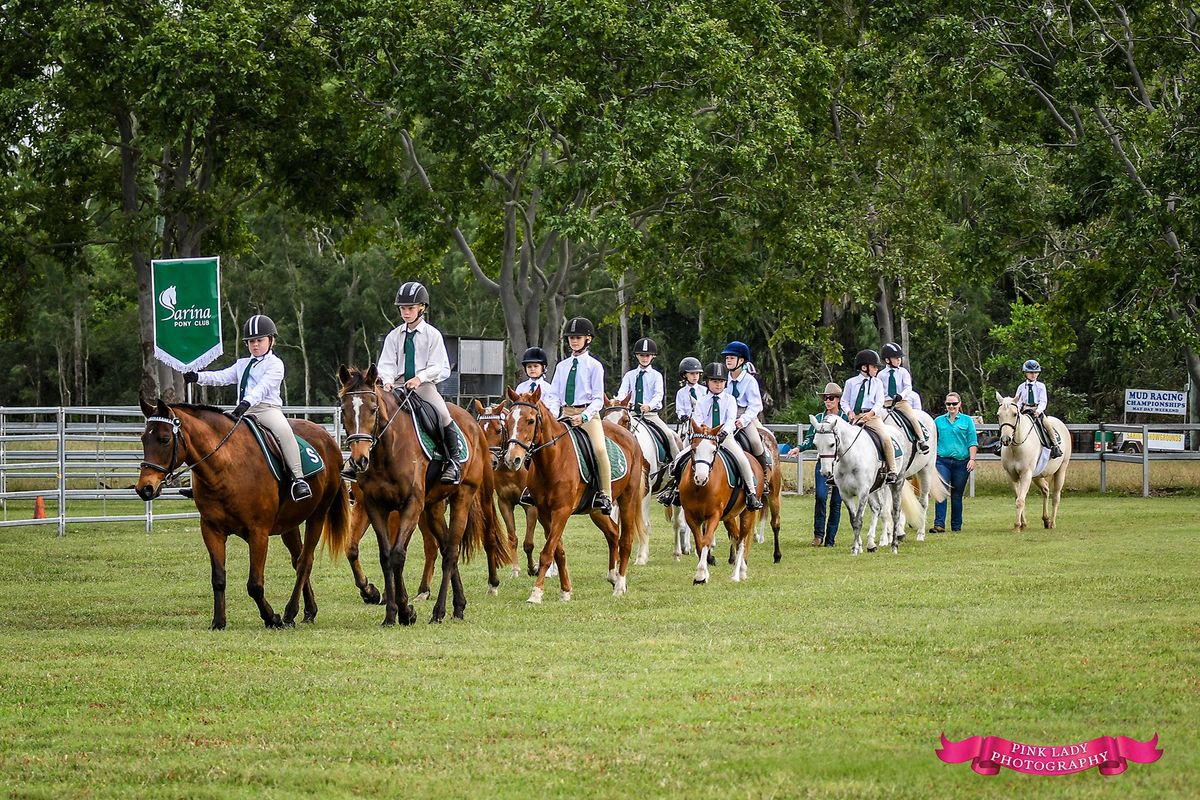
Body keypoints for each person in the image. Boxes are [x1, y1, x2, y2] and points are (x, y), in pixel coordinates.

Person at [185, 314, 311, 501]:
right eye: (251, 341)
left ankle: (298, 479)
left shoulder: (275, 364)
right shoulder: (242, 364)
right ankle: (204, 483)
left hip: (266, 409)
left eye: (259, 340)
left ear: (271, 340)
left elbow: (263, 387)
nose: (255, 345)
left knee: (284, 431)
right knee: (213, 434)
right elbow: (222, 377)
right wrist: (197, 377)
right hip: (243, 410)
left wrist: (246, 403)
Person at [373, 281, 461, 483]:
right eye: (403, 308)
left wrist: (419, 378)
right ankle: (361, 461)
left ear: (422, 308)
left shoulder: (432, 335)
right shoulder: (394, 336)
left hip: (423, 386)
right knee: (373, 411)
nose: (405, 312)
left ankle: (453, 462)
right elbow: (386, 363)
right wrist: (387, 380)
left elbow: (439, 366)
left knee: (443, 414)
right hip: (396, 385)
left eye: (410, 308)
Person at [657, 362, 763, 510]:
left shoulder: (730, 400)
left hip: (725, 439)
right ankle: (674, 489)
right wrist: (701, 429)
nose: (718, 385)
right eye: (714, 381)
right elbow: (697, 418)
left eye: (721, 382)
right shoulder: (702, 401)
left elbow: (731, 419)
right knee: (679, 458)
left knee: (742, 459)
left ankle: (751, 493)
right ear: (707, 382)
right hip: (704, 440)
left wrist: (725, 431)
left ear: (725, 383)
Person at [550, 316, 613, 514]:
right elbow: (553, 395)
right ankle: (532, 488)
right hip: (564, 413)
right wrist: (553, 416)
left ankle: (605, 494)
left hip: (587, 414)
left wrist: (584, 416)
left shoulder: (594, 366)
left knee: (600, 450)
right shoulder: (562, 366)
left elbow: (598, 399)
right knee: (542, 444)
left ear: (588, 339)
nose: (573, 341)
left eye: (577, 337)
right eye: (570, 338)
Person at [795, 382, 847, 547]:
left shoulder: (845, 419)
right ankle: (818, 535)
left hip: (840, 465)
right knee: (821, 497)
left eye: (831, 398)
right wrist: (799, 447)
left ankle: (830, 538)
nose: (828, 401)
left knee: (836, 501)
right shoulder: (818, 418)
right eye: (825, 398)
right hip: (822, 461)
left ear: (838, 399)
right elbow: (811, 439)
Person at [841, 349, 900, 483]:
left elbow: (880, 401)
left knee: (885, 438)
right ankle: (836, 471)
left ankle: (892, 470)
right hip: (855, 416)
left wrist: (871, 413)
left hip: (872, 417)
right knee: (840, 439)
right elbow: (844, 401)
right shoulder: (850, 383)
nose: (876, 370)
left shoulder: (877, 383)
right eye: (874, 367)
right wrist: (849, 412)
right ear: (864, 367)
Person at [617, 337, 680, 460]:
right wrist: (625, 402)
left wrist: (649, 406)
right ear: (637, 356)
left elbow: (658, 395)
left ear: (653, 357)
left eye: (647, 355)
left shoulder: (656, 376)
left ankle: (675, 464)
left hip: (651, 415)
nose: (644, 358)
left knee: (669, 435)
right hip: (632, 414)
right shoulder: (629, 375)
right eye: (641, 355)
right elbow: (622, 392)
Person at [720, 341, 773, 473]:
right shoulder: (723, 379)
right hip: (725, 416)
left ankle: (764, 473)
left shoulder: (750, 381)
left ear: (741, 360)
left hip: (745, 416)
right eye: (727, 358)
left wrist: (743, 420)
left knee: (755, 442)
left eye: (732, 358)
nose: (728, 361)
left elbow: (756, 405)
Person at [931, 392, 978, 533]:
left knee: (957, 494)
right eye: (948, 404)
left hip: (961, 462)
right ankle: (939, 524)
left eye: (954, 404)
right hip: (942, 461)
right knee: (941, 492)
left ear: (959, 404)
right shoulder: (938, 421)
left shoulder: (967, 421)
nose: (951, 406)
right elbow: (932, 441)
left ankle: (956, 526)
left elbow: (972, 441)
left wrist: (972, 459)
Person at [879, 342, 929, 454]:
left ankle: (921, 440)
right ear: (887, 360)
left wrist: (901, 395)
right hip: (885, 403)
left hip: (901, 402)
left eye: (899, 358)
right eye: (896, 358)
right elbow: (879, 390)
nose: (899, 360)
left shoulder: (903, 372)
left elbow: (908, 387)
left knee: (912, 417)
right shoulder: (881, 375)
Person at [1015, 359, 1063, 459]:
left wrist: (1038, 411)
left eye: (1036, 372)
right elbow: (1018, 401)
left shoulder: (1041, 386)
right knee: (1011, 424)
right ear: (1025, 373)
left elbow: (1043, 401)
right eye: (1031, 373)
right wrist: (1017, 410)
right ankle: (1001, 445)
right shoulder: (1021, 387)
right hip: (1024, 410)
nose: (1033, 375)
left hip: (1037, 410)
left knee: (1047, 425)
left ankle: (1055, 446)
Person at [515, 347, 560, 417]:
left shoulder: (549, 388)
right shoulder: (521, 388)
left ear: (543, 367)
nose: (532, 369)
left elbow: (553, 408)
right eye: (529, 367)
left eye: (536, 366)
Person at [674, 356, 705, 429]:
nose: (695, 376)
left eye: (697, 373)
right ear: (684, 375)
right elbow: (679, 409)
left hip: (703, 424)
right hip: (687, 424)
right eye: (692, 374)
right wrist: (682, 416)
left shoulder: (705, 390)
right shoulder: (681, 393)